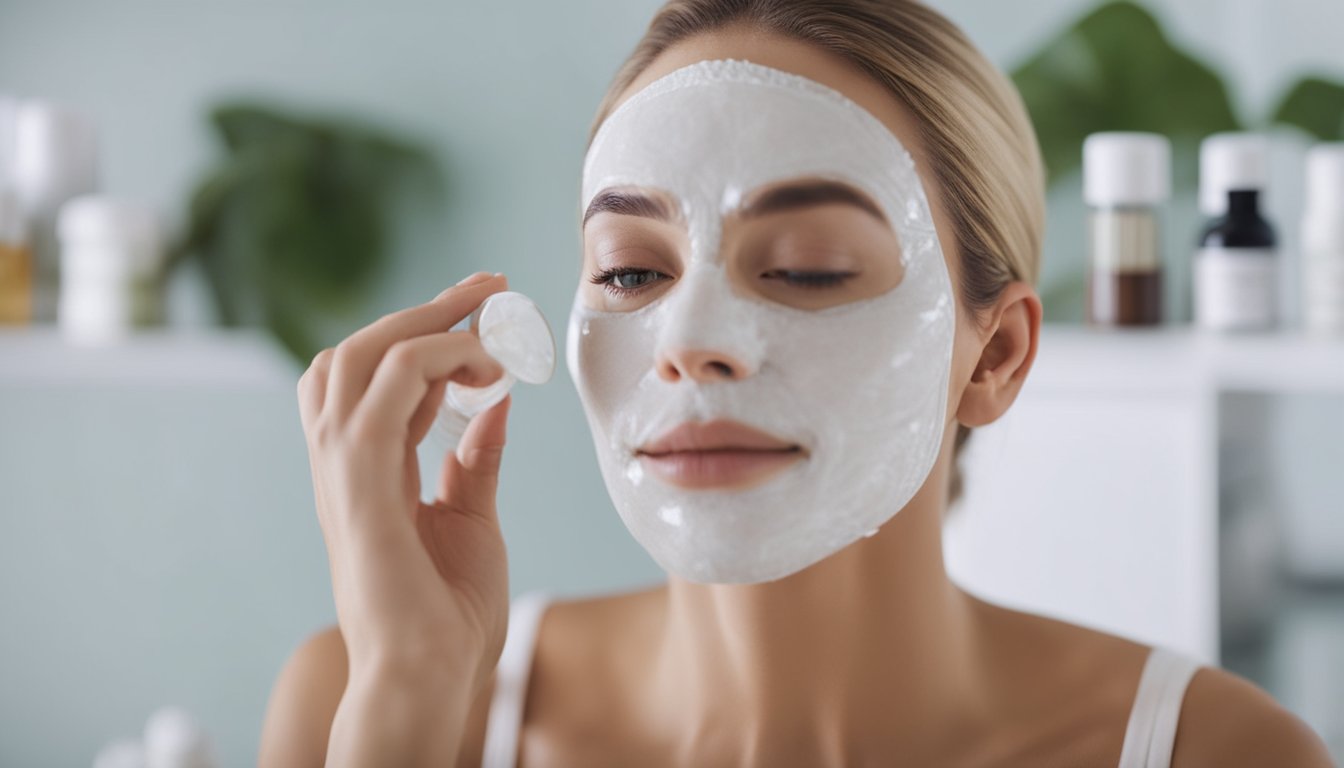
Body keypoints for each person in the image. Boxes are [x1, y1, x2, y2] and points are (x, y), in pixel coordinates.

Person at [258, 1, 1334, 766]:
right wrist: (403, 702)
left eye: (808, 267)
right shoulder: (364, 703)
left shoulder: (1219, 755)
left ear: (995, 355)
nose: (689, 341)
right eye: (631, 272)